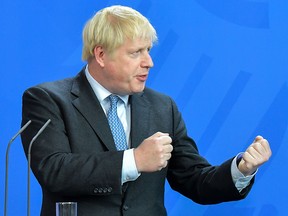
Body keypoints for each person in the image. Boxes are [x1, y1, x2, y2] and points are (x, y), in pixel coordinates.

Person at [21, 5, 272, 216]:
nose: (149, 62)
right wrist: (134, 160)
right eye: (136, 52)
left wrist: (241, 169)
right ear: (100, 54)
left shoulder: (163, 107)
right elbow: (54, 170)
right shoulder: (47, 99)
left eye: (148, 51)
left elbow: (195, 181)